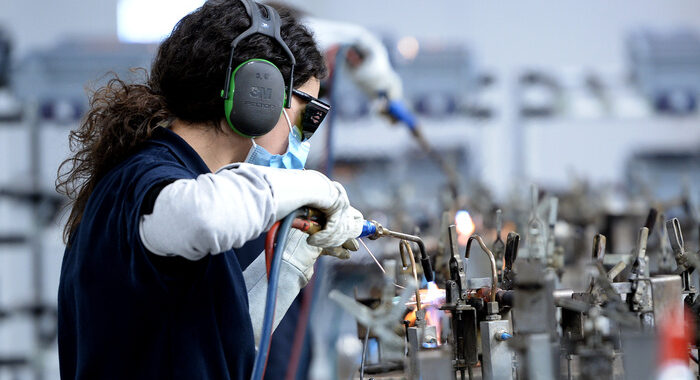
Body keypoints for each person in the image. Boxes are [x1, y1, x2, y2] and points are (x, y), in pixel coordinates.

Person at [55, 0, 364, 378]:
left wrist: (287, 269)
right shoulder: (142, 179)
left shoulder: (177, 177)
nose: (305, 139)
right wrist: (313, 186)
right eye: (308, 115)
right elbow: (204, 217)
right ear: (260, 96)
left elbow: (210, 345)